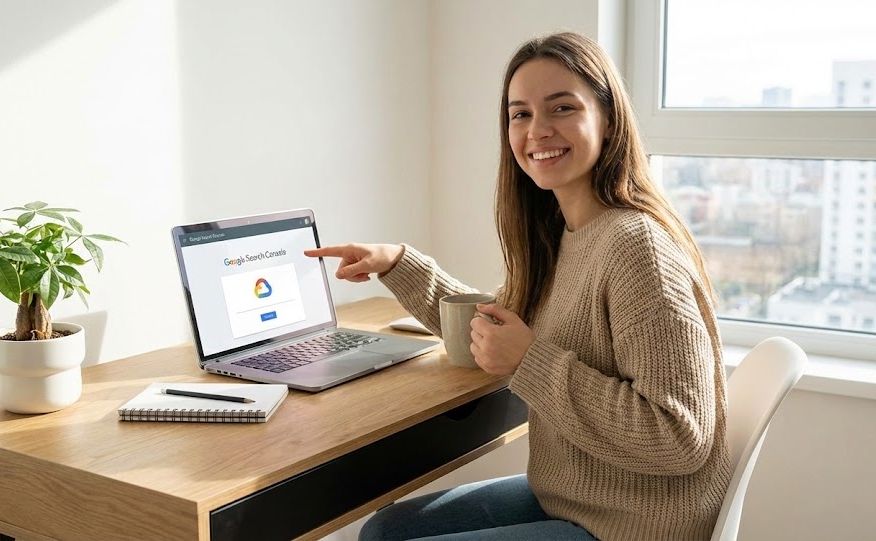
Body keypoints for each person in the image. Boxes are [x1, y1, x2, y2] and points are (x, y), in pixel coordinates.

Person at [305, 31, 731, 541]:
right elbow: (493, 329)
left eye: (561, 107)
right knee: (384, 532)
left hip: (637, 524)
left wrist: (530, 361)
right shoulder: (565, 233)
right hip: (574, 495)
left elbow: (679, 437)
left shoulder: (637, 247)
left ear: (609, 118)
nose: (538, 131)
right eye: (520, 113)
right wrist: (397, 262)